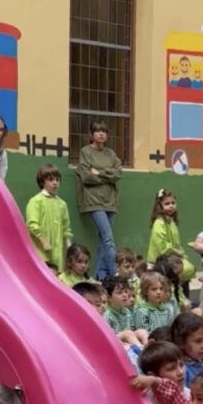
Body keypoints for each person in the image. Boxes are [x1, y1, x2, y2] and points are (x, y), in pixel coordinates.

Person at [75, 119, 123, 282]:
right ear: (91, 134)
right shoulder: (85, 152)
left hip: (111, 201)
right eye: (98, 131)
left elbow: (118, 174)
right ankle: (115, 274)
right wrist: (106, 175)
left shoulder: (111, 154)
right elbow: (86, 176)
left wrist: (99, 173)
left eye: (104, 131)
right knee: (108, 238)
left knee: (104, 239)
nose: (101, 134)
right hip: (93, 201)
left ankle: (99, 275)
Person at [24, 165, 72, 274]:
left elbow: (66, 228)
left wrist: (69, 248)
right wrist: (43, 242)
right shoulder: (36, 201)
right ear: (42, 182)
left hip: (57, 253)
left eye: (57, 179)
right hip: (40, 251)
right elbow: (32, 224)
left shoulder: (62, 204)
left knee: (57, 277)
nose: (55, 183)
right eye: (50, 180)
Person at [146, 189, 196, 285]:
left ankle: (180, 297)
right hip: (158, 263)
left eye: (173, 203)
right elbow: (162, 247)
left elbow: (177, 244)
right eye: (167, 204)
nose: (171, 206)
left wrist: (183, 255)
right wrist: (178, 253)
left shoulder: (172, 222)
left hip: (172, 260)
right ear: (159, 206)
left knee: (189, 271)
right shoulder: (159, 223)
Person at [134, 270, 177, 334]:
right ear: (145, 291)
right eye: (154, 289)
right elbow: (143, 333)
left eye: (161, 289)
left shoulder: (166, 309)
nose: (158, 292)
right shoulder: (142, 311)